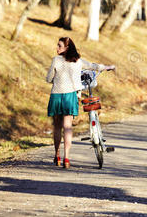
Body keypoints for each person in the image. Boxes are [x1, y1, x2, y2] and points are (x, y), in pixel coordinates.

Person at [46, 37, 115, 169]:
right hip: (70, 96)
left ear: (66, 48)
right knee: (67, 127)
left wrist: (54, 78)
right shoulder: (78, 61)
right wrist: (107, 67)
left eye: (59, 46)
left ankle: (57, 155)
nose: (57, 48)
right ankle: (66, 158)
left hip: (56, 96)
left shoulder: (56, 60)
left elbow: (49, 78)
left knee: (57, 127)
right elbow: (94, 66)